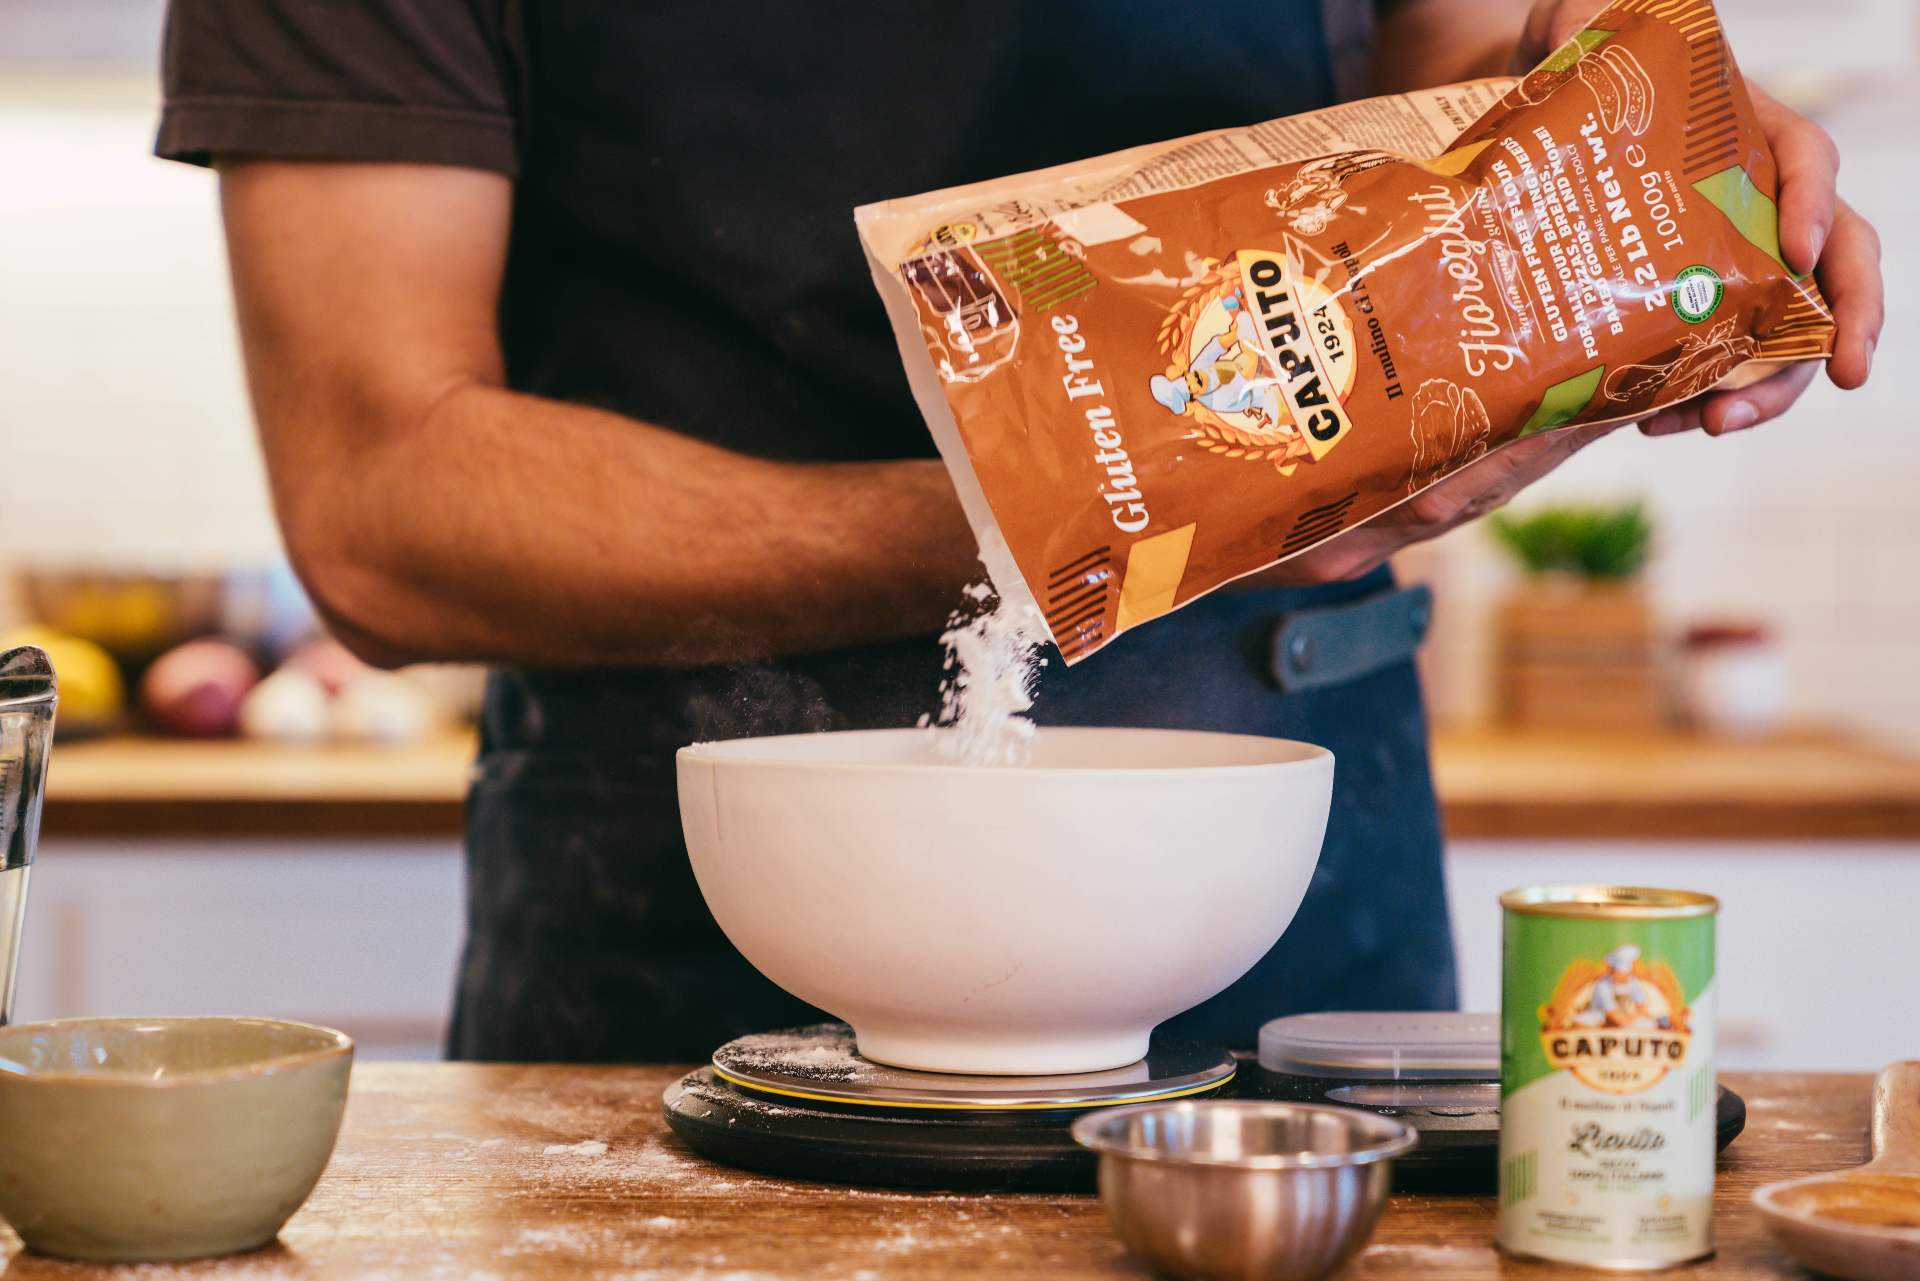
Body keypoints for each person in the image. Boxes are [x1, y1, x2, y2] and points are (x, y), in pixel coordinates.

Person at [156, 0, 1881, 1062]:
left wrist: (1611, 162)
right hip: (678, 932)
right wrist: (1070, 516)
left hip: (1296, 912)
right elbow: (383, 506)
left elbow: (1461, 80)